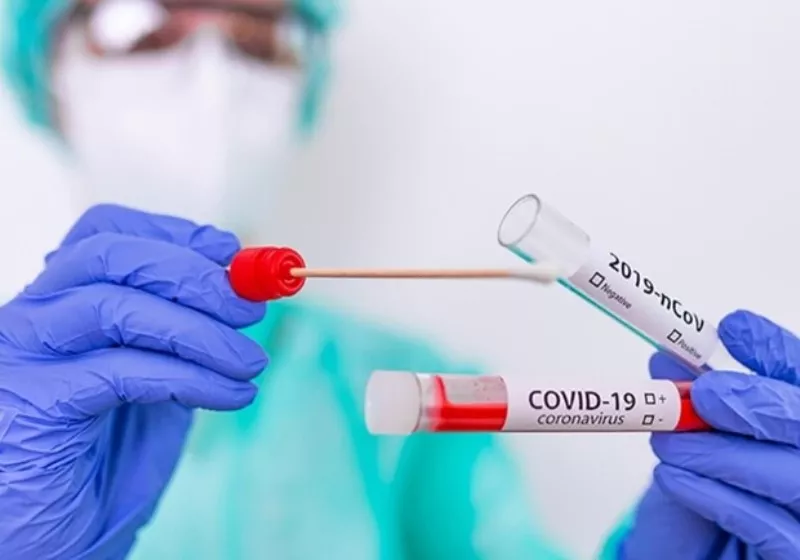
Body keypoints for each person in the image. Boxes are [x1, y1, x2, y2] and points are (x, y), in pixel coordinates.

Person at [3, 1, 800, 559]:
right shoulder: (18, 407)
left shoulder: (402, 389)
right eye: (141, 30)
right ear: (45, 74)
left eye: (257, 41)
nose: (211, 87)